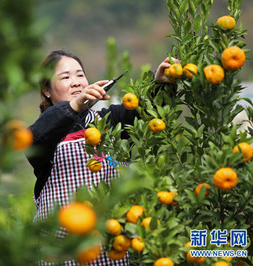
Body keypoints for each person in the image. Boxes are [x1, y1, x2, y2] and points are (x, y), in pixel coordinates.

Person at [27, 49, 176, 265]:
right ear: (47, 90)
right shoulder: (46, 134)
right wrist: (76, 105)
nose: (76, 82)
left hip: (115, 252)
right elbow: (33, 140)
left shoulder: (111, 120)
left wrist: (161, 83)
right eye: (66, 77)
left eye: (80, 75)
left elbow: (149, 113)